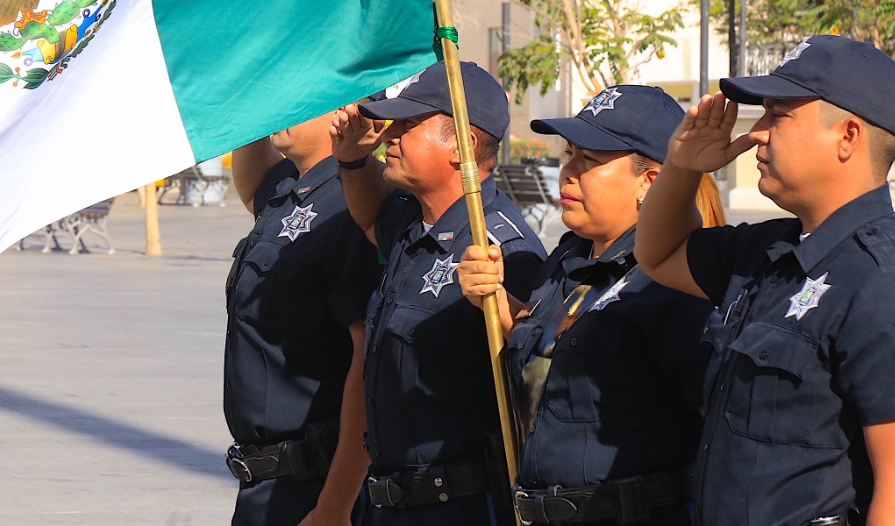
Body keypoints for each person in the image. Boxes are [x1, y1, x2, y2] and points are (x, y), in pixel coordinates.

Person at [635, 35, 895, 526]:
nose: (758, 132)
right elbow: (658, 254)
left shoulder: (888, 284)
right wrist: (681, 167)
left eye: (778, 115)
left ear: (848, 136)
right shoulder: (768, 250)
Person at [455, 85, 722, 526]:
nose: (568, 172)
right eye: (569, 154)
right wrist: (495, 296)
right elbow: (548, 350)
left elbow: (717, 423)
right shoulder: (569, 255)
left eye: (590, 161)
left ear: (650, 182)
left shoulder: (676, 279)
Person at [332, 62, 546, 523]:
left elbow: (535, 385)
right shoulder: (413, 220)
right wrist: (351, 159)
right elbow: (371, 217)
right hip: (386, 501)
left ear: (463, 145)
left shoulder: (505, 250)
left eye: (408, 124)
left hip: (457, 506)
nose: (392, 135)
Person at [224, 108, 381, 525]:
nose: (283, 105)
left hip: (314, 480)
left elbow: (368, 364)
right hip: (266, 481)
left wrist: (335, 504)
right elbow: (252, 182)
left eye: (303, 96)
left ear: (344, 112)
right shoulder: (294, 183)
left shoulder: (354, 199)